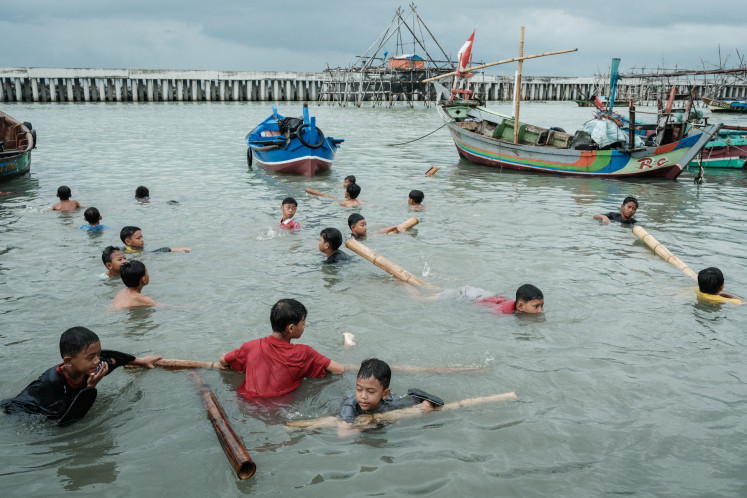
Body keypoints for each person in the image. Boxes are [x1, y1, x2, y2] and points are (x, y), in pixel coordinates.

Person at [0, 326, 161, 426]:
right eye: (91, 357)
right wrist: (91, 388)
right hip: (20, 411)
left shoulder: (90, 366)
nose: (97, 361)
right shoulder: (52, 383)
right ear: (68, 361)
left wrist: (141, 361)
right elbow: (66, 421)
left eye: (97, 354)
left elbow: (114, 359)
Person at [219, 299, 346, 399]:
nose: (304, 326)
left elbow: (223, 360)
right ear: (291, 328)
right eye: (303, 323)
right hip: (278, 407)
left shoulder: (250, 346)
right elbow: (339, 370)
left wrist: (228, 356)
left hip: (245, 401)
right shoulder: (304, 353)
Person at [337, 358, 442, 435]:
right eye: (359, 389)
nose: (363, 396)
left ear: (385, 393)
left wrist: (425, 405)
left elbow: (429, 403)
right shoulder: (350, 405)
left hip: (386, 405)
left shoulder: (391, 400)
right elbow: (343, 433)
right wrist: (367, 425)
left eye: (371, 392)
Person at [430, 283, 545, 314]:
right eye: (536, 306)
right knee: (421, 298)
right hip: (467, 295)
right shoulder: (501, 312)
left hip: (482, 294)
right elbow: (480, 307)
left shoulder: (518, 306)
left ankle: (423, 284)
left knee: (443, 291)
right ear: (520, 306)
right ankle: (411, 287)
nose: (540, 310)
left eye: (541, 305)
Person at [119, 226, 190, 253]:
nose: (142, 240)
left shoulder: (136, 248)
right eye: (138, 238)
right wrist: (174, 250)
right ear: (128, 241)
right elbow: (152, 253)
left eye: (142, 237)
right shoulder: (132, 252)